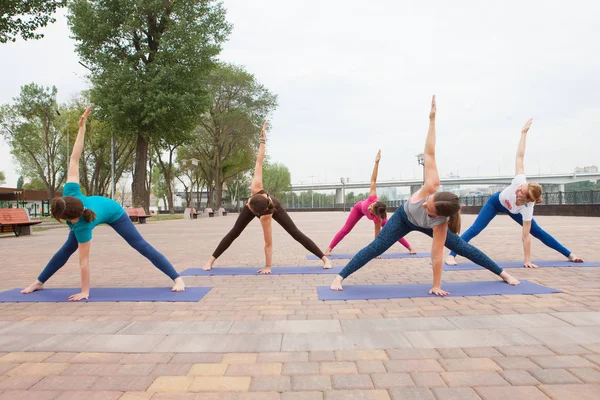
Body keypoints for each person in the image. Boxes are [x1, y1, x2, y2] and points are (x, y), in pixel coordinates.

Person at [330, 96, 520, 295]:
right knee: (377, 246)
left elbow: (436, 256)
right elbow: (430, 153)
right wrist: (431, 120)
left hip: (426, 225)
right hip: (403, 218)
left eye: (428, 209)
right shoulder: (431, 185)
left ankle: (502, 273)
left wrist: (436, 286)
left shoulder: (440, 225)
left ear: (438, 216)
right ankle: (340, 276)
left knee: (464, 248)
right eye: (427, 202)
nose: (424, 205)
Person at [21, 107, 185, 300]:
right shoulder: (69, 193)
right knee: (66, 249)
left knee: (139, 244)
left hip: (114, 212)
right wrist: (82, 128)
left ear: (70, 218)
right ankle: (39, 282)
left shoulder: (82, 226)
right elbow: (74, 158)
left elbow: (84, 262)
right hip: (94, 208)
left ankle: (177, 278)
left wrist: (84, 292)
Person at [445, 119, 583, 267]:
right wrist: (523, 134)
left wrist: (527, 260)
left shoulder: (527, 208)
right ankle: (451, 255)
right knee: (475, 229)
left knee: (538, 232)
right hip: (496, 203)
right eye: (520, 187)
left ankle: (569, 254)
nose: (518, 188)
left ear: (526, 199)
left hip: (514, 210)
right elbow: (520, 157)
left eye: (521, 191)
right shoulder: (520, 179)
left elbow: (525, 236)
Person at [202, 122, 332, 274]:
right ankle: (211, 260)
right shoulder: (256, 186)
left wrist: (268, 267)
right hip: (263, 203)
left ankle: (325, 259)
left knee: (294, 232)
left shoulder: (266, 216)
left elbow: (268, 243)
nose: (247, 204)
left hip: (271, 207)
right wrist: (262, 140)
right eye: (248, 202)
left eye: (248, 205)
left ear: (255, 211)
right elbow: (259, 160)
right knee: (234, 232)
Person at [324, 150, 416, 256]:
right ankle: (329, 248)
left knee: (392, 229)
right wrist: (376, 163)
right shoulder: (373, 197)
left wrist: (376, 253)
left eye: (371, 209)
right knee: (346, 229)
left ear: (376, 214)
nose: (369, 208)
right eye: (371, 206)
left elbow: (377, 237)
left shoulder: (378, 219)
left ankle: (409, 247)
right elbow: (373, 180)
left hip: (378, 217)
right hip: (358, 209)